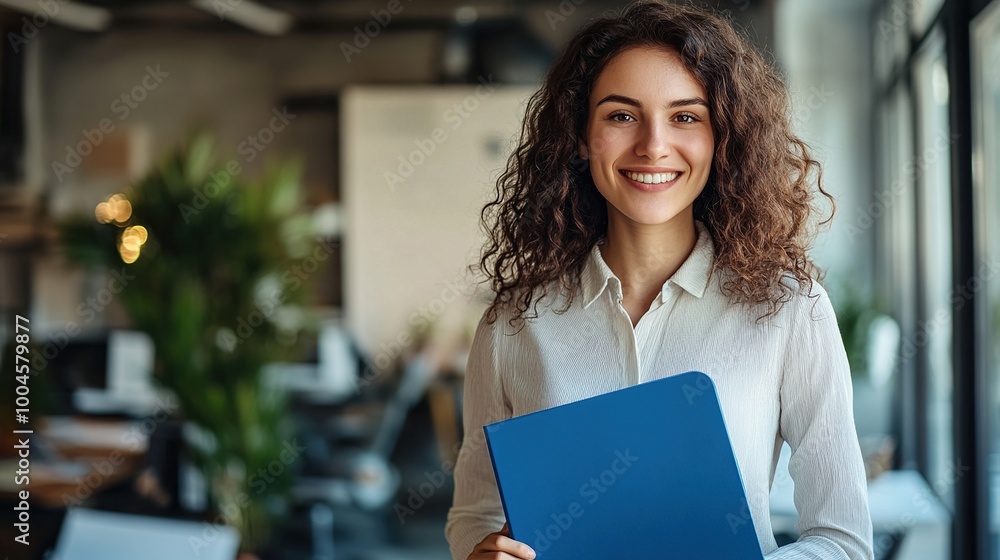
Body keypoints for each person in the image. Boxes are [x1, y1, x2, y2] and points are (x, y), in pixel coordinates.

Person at [445, 2, 874, 559]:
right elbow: (473, 515)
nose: (652, 145)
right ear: (581, 136)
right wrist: (480, 552)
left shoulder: (791, 310)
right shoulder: (512, 325)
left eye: (685, 116)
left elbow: (843, 540)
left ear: (723, 137)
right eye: (621, 116)